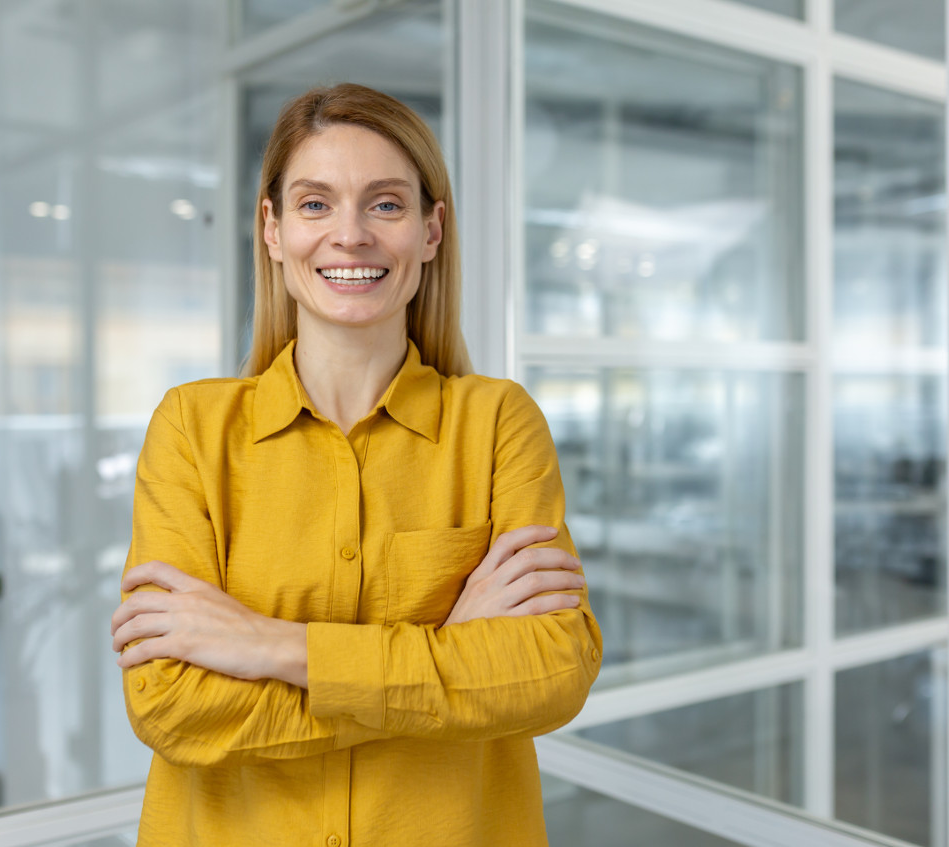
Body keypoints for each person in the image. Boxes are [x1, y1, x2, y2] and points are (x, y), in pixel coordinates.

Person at [109, 82, 602, 847]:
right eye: (314, 204)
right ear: (271, 229)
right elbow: (169, 703)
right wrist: (444, 659)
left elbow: (551, 670)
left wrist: (270, 646)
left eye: (385, 204)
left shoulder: (499, 423)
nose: (350, 235)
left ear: (432, 230)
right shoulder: (193, 429)